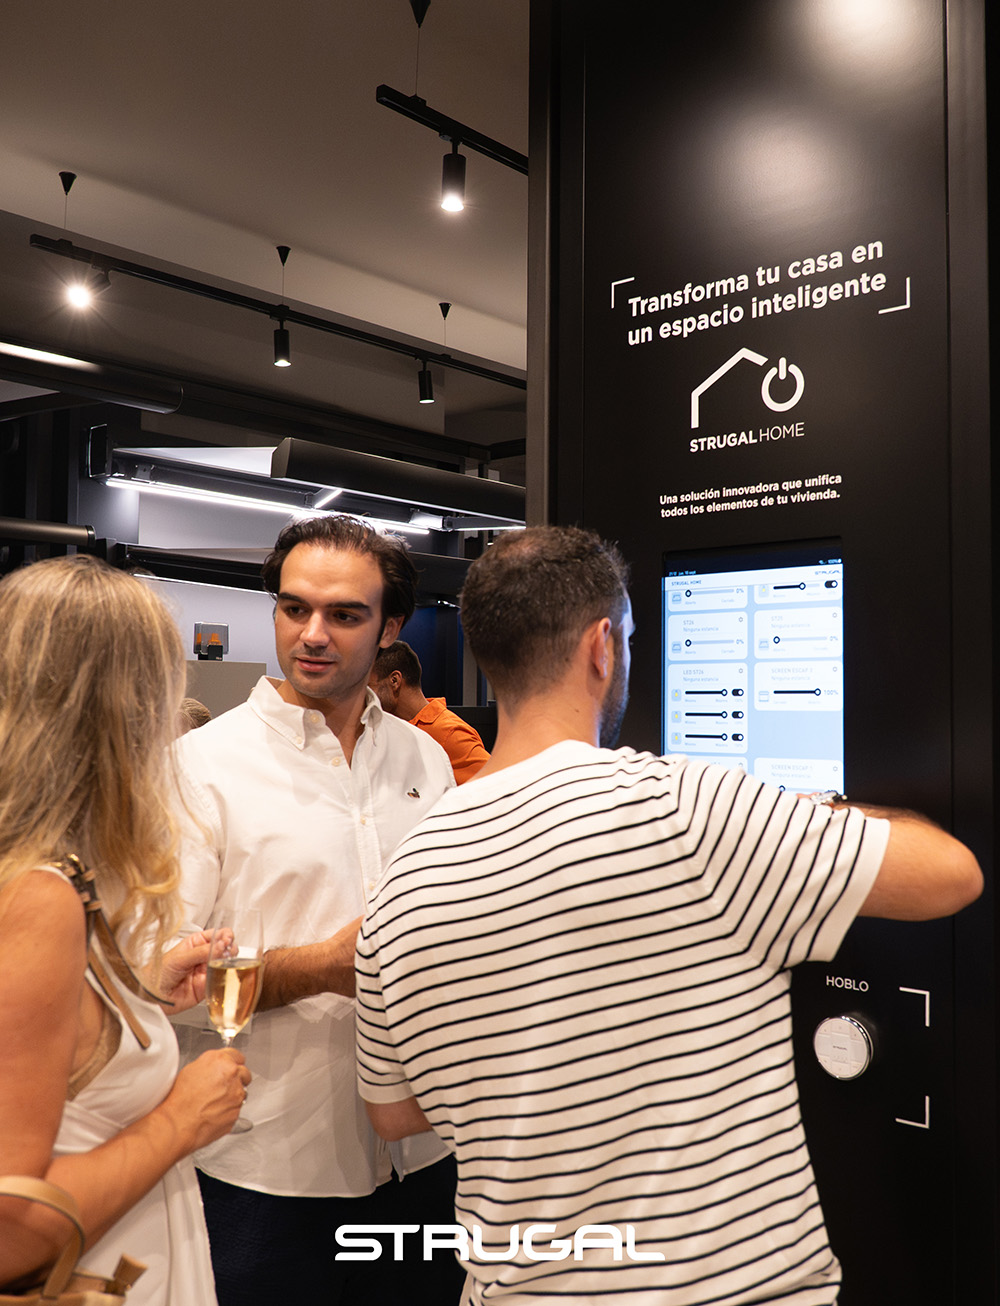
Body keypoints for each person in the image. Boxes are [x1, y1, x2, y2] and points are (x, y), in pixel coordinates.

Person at [355, 525, 983, 1306]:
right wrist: (794, 814)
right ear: (601, 648)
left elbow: (393, 1113)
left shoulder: (403, 877)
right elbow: (949, 875)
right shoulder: (687, 807)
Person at [170, 514, 462, 1306]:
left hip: (426, 1158)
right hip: (267, 1177)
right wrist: (321, 968)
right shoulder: (201, 769)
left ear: (391, 628)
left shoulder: (423, 758)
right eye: (294, 608)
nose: (312, 634)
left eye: (345, 614)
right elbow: (161, 989)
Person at [0, 555, 250, 1305]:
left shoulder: (44, 870)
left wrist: (133, 996)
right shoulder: (38, 895)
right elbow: (11, 1228)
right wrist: (180, 1120)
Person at [369, 639, 490, 783]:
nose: (364, 697)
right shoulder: (384, 728)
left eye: (369, 687)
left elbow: (496, 785)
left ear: (395, 681)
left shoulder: (449, 733)